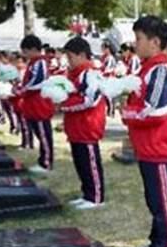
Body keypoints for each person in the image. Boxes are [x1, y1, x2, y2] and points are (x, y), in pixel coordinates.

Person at [123, 16, 167, 247]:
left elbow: (158, 110)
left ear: (155, 42)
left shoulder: (160, 69)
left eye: (139, 39)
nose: (135, 44)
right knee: (152, 199)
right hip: (146, 146)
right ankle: (155, 242)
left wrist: (129, 115)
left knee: (163, 201)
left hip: (158, 146)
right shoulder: (147, 68)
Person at [58, 37, 107, 210]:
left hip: (88, 125)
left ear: (82, 55)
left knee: (90, 162)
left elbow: (90, 99)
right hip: (76, 126)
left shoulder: (90, 73)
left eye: (70, 57)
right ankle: (87, 193)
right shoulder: (74, 75)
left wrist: (65, 106)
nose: (68, 61)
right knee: (80, 162)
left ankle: (96, 197)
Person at [18, 34, 55, 173]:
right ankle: (43, 160)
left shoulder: (40, 62)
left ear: (33, 49)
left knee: (44, 134)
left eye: (26, 51)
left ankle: (46, 163)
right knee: (40, 134)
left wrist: (23, 89)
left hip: (40, 104)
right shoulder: (33, 63)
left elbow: (39, 82)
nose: (25, 55)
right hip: (32, 104)